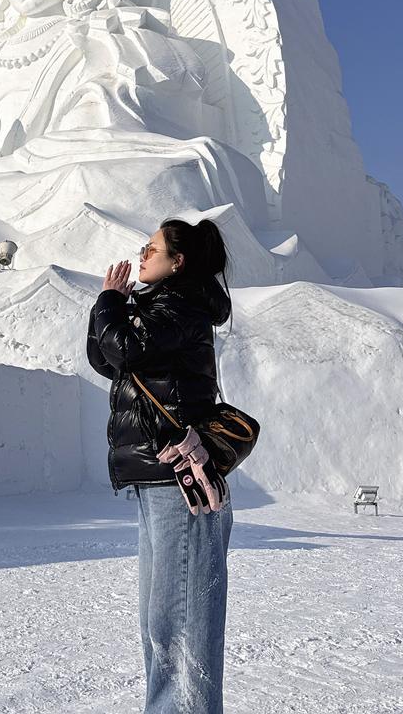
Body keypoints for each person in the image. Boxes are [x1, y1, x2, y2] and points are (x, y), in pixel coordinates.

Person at [86, 217, 234, 713]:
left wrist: (110, 303)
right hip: (160, 481)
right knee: (161, 626)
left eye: (151, 249)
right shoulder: (161, 308)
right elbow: (105, 358)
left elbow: (122, 348)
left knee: (181, 628)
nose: (141, 255)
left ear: (179, 262)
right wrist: (114, 303)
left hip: (181, 484)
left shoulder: (181, 303)